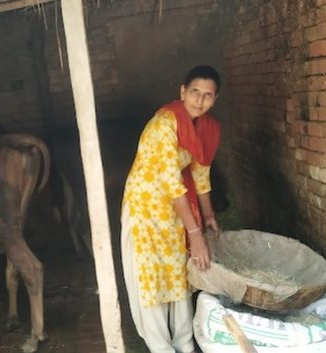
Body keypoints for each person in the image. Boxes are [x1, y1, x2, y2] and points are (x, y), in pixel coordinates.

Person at [121, 65, 222, 353]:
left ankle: (184, 342)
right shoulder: (164, 124)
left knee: (177, 270)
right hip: (145, 206)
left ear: (215, 99)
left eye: (208, 95)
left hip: (174, 208)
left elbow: (201, 176)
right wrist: (196, 233)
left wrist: (209, 216)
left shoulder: (207, 128)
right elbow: (171, 182)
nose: (200, 101)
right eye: (194, 92)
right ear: (182, 92)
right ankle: (161, 346)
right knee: (151, 275)